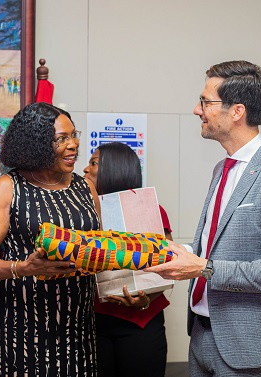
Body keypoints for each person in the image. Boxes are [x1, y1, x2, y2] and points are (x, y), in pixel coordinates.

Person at [146, 60, 261, 377]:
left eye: (206, 102)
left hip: (247, 347)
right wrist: (177, 252)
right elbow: (213, 245)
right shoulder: (223, 169)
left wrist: (203, 268)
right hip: (204, 335)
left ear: (237, 111)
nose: (197, 109)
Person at [0, 102, 101, 376]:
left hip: (78, 328)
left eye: (74, 135)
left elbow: (96, 251)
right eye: (61, 139)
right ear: (36, 143)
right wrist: (24, 268)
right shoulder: (7, 188)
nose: (73, 144)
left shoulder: (85, 187)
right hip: (24, 330)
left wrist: (124, 288)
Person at [83, 142, 171, 377]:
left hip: (142, 323)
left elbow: (170, 265)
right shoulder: (81, 213)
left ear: (114, 168)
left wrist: (144, 300)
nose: (85, 169)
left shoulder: (152, 210)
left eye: (93, 163)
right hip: (91, 324)